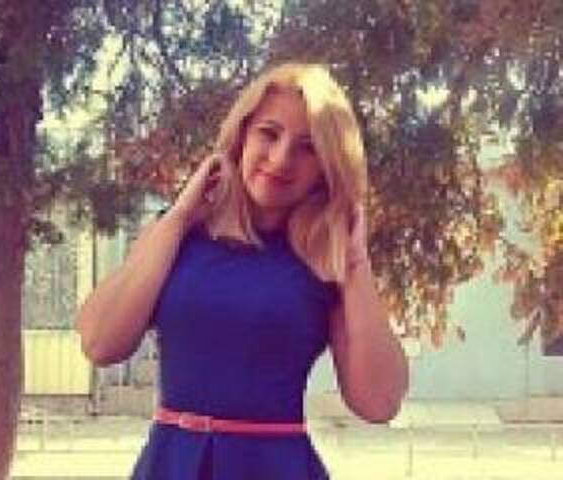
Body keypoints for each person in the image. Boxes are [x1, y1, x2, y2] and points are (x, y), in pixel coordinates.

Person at [75, 62, 409, 479]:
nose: (281, 159)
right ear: (241, 135)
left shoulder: (327, 261)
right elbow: (100, 343)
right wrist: (178, 217)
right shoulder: (176, 235)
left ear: (327, 166)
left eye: (308, 148)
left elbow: (379, 402)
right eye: (269, 133)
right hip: (171, 465)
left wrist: (357, 263)